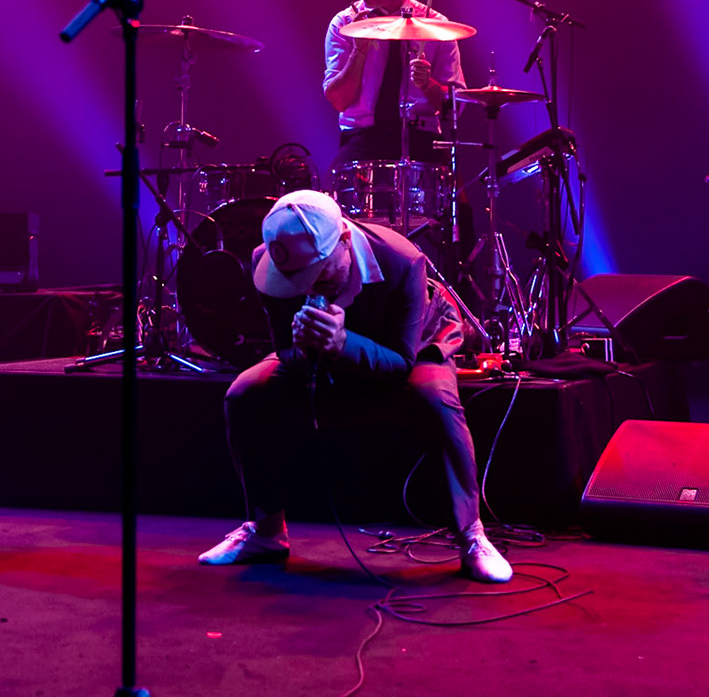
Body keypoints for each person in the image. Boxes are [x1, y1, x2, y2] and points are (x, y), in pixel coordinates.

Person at [197, 190, 512, 583]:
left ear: (344, 240)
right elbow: (284, 350)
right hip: (327, 346)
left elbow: (400, 361)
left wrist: (344, 345)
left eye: (317, 274)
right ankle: (265, 531)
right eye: (294, 282)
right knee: (245, 394)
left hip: (409, 340)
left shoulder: (402, 261)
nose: (306, 289)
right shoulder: (270, 261)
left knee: (435, 398)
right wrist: (308, 348)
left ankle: (471, 535)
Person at [323, 0, 466, 169]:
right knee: (336, 194)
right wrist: (359, 51)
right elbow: (338, 101)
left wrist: (427, 83)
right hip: (363, 137)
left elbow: (455, 108)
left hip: (422, 137)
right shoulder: (344, 23)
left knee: (459, 207)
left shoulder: (437, 26)